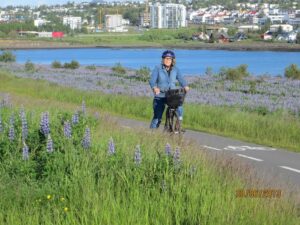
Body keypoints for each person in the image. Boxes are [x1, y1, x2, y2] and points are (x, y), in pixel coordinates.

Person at [149, 50, 190, 129]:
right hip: (160, 95)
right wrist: (154, 88)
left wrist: (185, 86)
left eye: (169, 59)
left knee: (179, 108)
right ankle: (152, 134)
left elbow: (181, 79)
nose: (167, 60)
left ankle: (178, 125)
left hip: (172, 95)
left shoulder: (176, 69)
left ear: (172, 60)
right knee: (157, 117)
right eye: (166, 58)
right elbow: (152, 81)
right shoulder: (158, 68)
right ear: (163, 59)